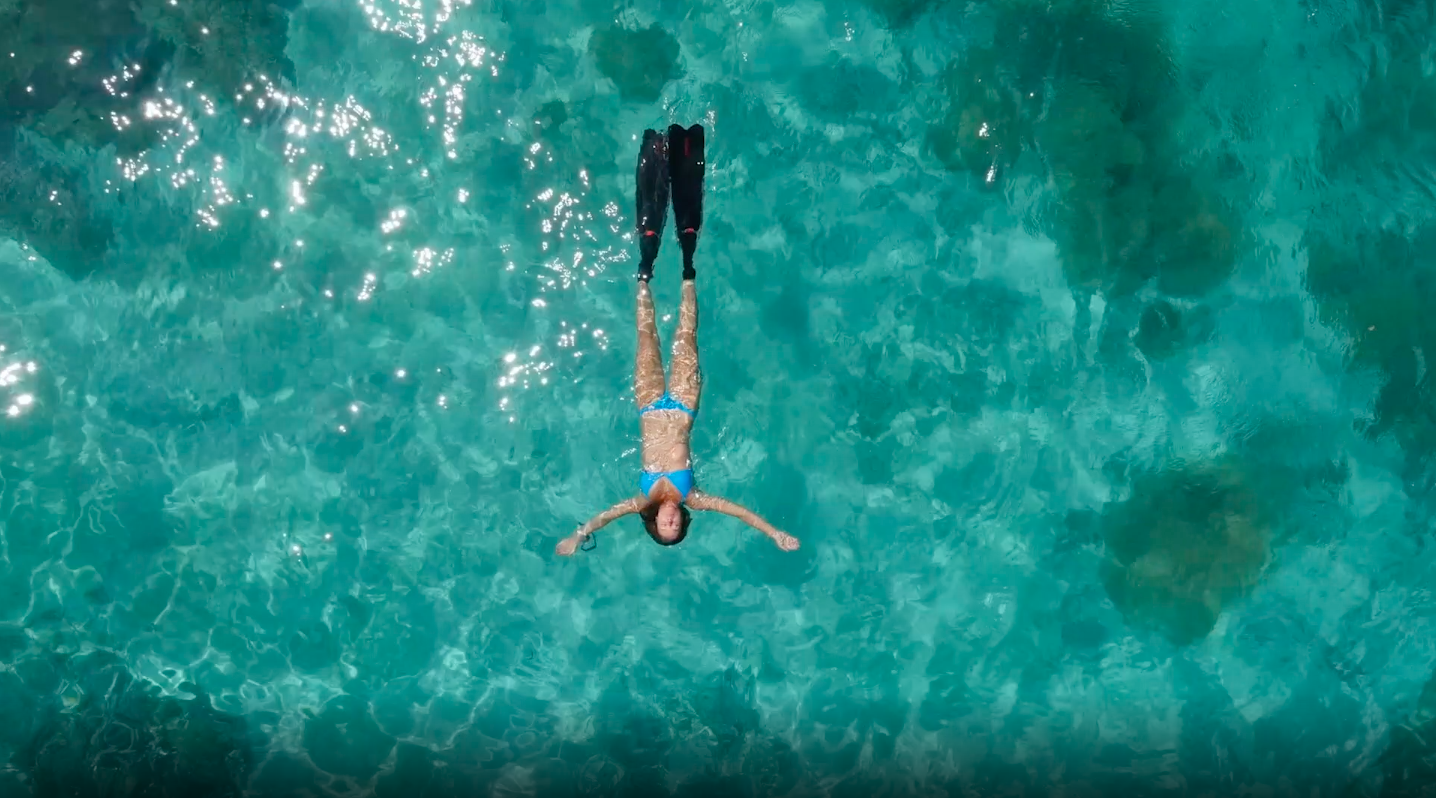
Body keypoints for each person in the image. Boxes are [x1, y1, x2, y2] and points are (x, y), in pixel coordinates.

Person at [556, 124, 801, 557]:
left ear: (654, 523)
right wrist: (774, 533)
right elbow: (737, 510)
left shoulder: (643, 499)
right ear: (682, 519)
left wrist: (578, 535)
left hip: (649, 401)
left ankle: (645, 274)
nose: (670, 520)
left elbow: (604, 517)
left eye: (664, 527)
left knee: (646, 333)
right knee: (686, 333)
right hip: (684, 403)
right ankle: (688, 270)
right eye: (677, 527)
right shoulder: (693, 497)